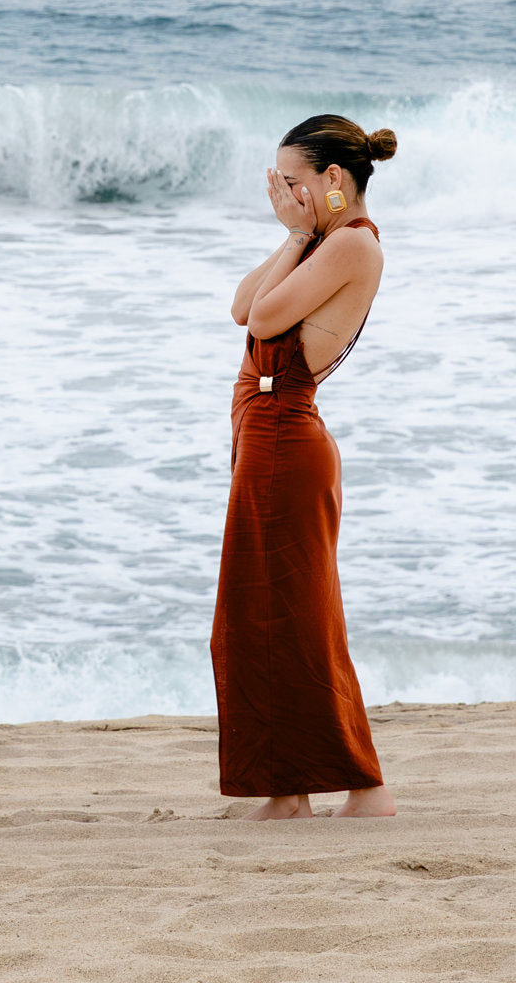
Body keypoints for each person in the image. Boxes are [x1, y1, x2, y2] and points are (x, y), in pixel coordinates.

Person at [213, 114, 401, 821]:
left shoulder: (352, 244)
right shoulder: (322, 241)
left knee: (283, 617)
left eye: (294, 183)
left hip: (286, 437)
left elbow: (265, 322)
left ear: (332, 180)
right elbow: (241, 306)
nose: (285, 196)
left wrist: (296, 232)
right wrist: (295, 232)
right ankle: (297, 789)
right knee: (265, 614)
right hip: (265, 434)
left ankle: (341, 788)